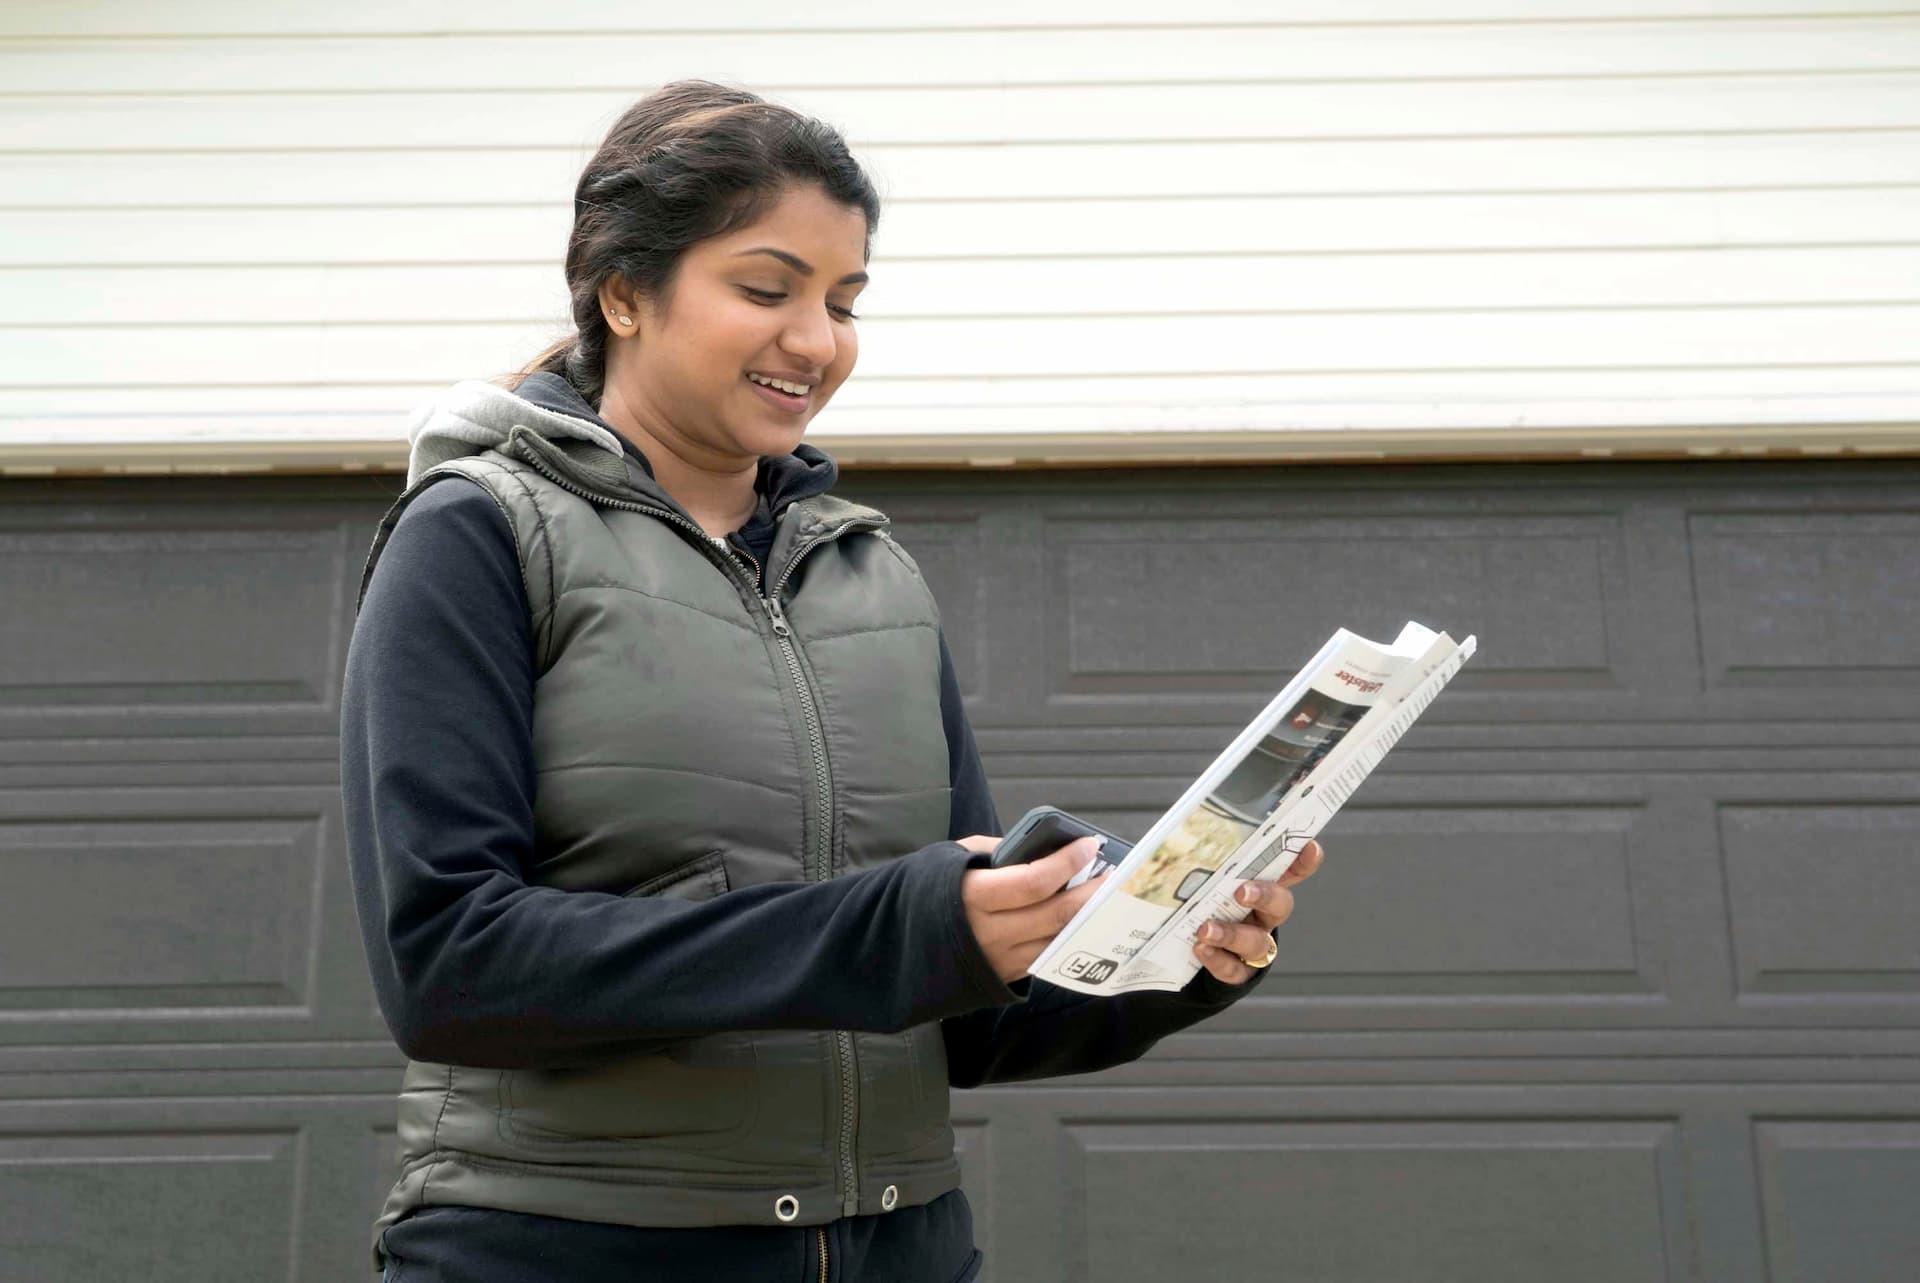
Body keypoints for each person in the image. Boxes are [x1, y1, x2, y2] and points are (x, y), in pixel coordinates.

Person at [339, 79, 1324, 1283]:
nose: (816, 338)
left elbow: (958, 1014)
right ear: (624, 293)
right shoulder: (479, 534)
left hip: (898, 1246)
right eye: (766, 288)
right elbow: (452, 967)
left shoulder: (871, 572)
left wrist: (1168, 949)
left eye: (844, 300)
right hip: (573, 1247)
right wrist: (895, 922)